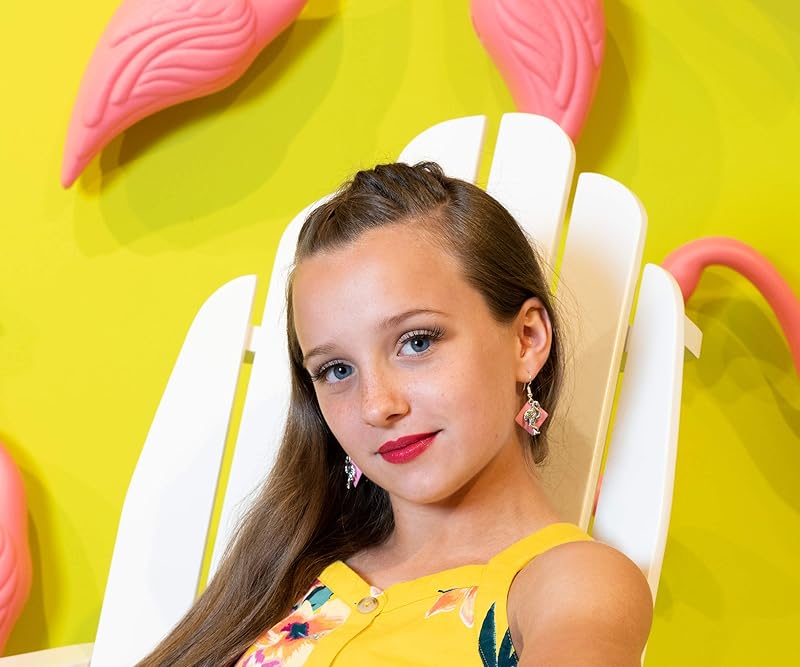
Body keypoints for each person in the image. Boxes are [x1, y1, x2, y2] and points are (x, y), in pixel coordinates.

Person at [139, 162, 653, 666]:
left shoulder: (572, 584)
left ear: (526, 339)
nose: (377, 406)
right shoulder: (286, 578)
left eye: (417, 342)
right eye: (337, 370)